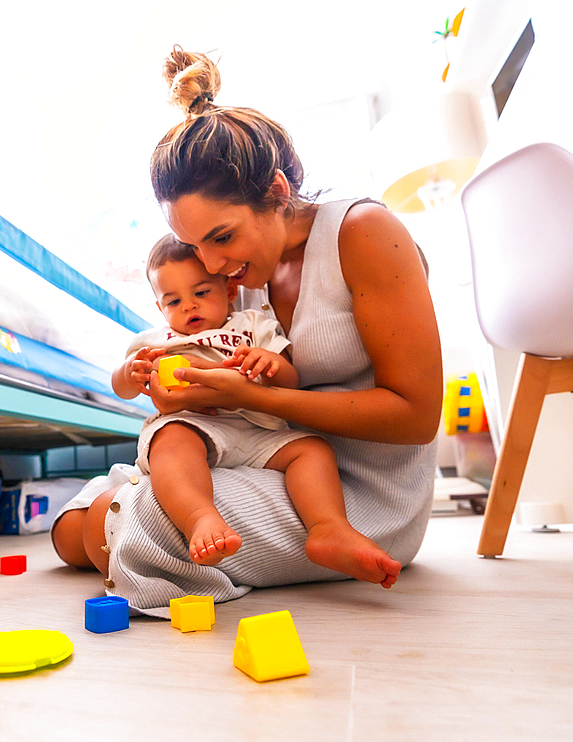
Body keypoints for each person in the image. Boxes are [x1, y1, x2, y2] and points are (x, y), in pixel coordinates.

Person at [51, 46, 442, 617]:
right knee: (74, 522)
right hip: (253, 457)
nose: (210, 266)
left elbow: (415, 416)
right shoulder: (239, 278)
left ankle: (144, 524)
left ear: (278, 194)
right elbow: (216, 365)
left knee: (144, 516)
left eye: (222, 237)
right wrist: (187, 390)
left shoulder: (363, 233)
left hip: (354, 493)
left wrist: (254, 395)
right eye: (197, 245)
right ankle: (131, 516)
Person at [111, 232, 402, 586]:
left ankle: (329, 528)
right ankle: (201, 517)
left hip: (258, 429)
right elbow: (123, 388)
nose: (188, 306)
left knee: (311, 449)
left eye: (201, 293)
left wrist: (271, 362)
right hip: (195, 425)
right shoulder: (156, 341)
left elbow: (289, 382)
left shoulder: (252, 326)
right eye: (173, 301)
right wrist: (129, 373)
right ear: (160, 307)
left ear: (229, 291)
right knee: (170, 441)